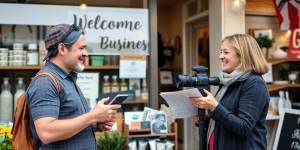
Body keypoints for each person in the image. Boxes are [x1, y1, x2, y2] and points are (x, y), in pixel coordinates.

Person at [26, 24, 121, 149]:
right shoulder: (45, 81)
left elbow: (70, 122)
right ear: (62, 49)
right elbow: (46, 132)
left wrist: (95, 124)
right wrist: (92, 116)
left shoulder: (67, 79)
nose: (86, 53)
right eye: (81, 48)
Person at [190, 34, 270, 150]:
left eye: (226, 52)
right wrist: (206, 119)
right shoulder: (228, 82)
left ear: (242, 56)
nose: (220, 56)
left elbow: (243, 127)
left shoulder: (254, 84)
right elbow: (226, 121)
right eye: (221, 52)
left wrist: (214, 107)